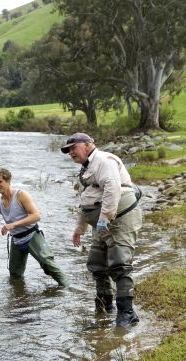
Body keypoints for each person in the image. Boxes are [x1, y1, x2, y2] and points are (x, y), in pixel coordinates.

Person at [61, 132, 142, 327]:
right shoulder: (86, 167)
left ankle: (127, 313)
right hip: (101, 223)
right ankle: (105, 307)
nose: (70, 152)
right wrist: (79, 228)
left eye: (74, 147)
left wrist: (104, 219)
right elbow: (85, 199)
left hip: (119, 219)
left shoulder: (104, 160)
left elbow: (113, 188)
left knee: (120, 264)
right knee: (97, 264)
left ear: (88, 144)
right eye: (68, 150)